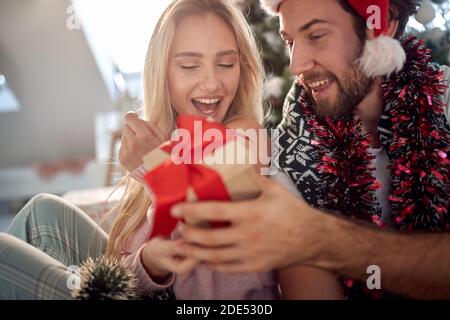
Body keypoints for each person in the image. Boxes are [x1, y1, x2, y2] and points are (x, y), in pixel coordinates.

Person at [170, 0, 450, 300]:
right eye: (289, 41)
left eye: (316, 36)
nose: (296, 64)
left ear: (382, 24)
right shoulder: (285, 159)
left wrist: (324, 238)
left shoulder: (443, 99)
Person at [0, 0, 276, 299]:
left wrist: (155, 164)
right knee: (41, 211)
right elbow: (132, 275)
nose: (211, 82)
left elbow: (212, 210)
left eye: (225, 64)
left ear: (241, 67)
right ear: (163, 73)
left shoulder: (246, 135)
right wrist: (148, 263)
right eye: (189, 65)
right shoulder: (172, 142)